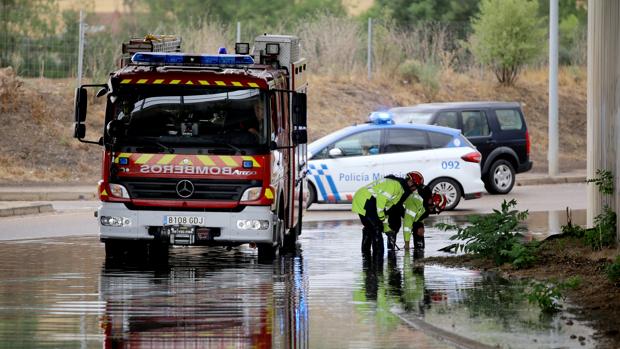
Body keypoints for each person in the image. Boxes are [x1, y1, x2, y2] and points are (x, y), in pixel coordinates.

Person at [351, 171, 425, 256]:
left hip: (368, 200)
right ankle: (378, 261)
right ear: (410, 182)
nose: (415, 190)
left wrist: (386, 228)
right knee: (376, 229)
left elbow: (387, 209)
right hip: (365, 200)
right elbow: (381, 201)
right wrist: (381, 218)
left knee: (370, 228)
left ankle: (367, 260)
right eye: (416, 187)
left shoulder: (401, 191)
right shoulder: (396, 186)